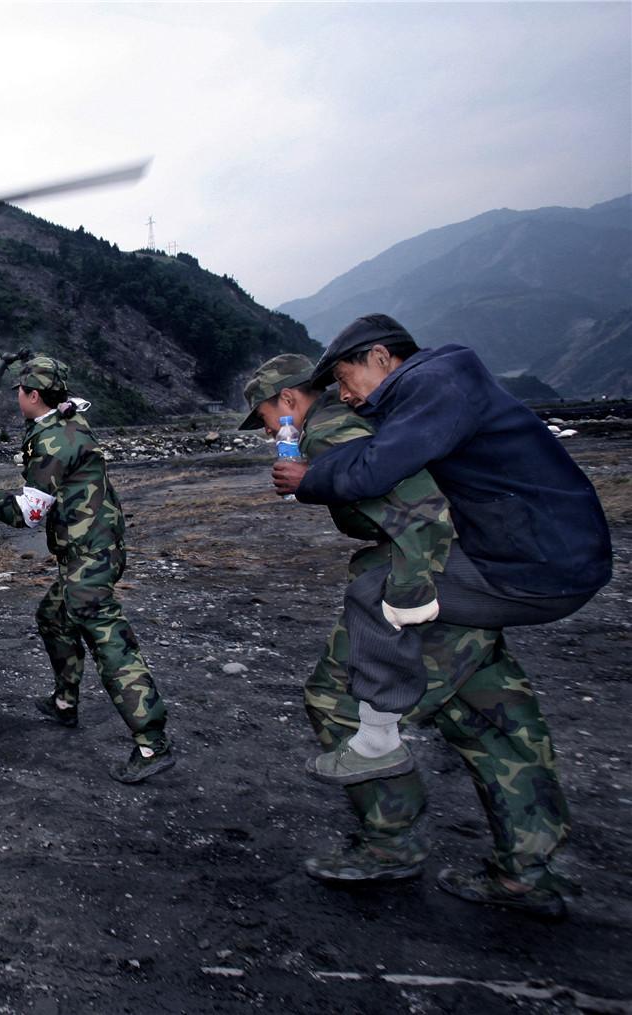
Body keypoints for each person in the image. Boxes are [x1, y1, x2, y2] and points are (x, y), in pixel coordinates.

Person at [242, 354, 572, 917]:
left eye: (267, 417)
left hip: (426, 587)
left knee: (341, 701)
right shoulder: (367, 424)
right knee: (492, 718)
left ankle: (390, 841)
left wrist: (408, 599)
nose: (268, 431)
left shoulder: (330, 431)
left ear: (290, 402)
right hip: (471, 585)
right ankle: (527, 867)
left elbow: (424, 513)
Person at [273, 316, 611, 793]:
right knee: (492, 705)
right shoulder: (441, 382)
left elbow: (376, 470)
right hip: (543, 551)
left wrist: (308, 480)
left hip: (536, 564)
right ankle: (529, 861)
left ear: (380, 357)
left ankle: (376, 746)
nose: (345, 397)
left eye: (346, 381)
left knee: (373, 593)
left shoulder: (434, 385)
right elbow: (387, 452)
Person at [0, 355, 174, 784]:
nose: (16, 396)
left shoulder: (52, 440)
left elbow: (28, 514)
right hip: (92, 549)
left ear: (32, 395)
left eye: (20, 390)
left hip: (89, 556)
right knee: (53, 616)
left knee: (112, 645)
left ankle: (152, 741)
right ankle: (64, 702)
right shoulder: (66, 420)